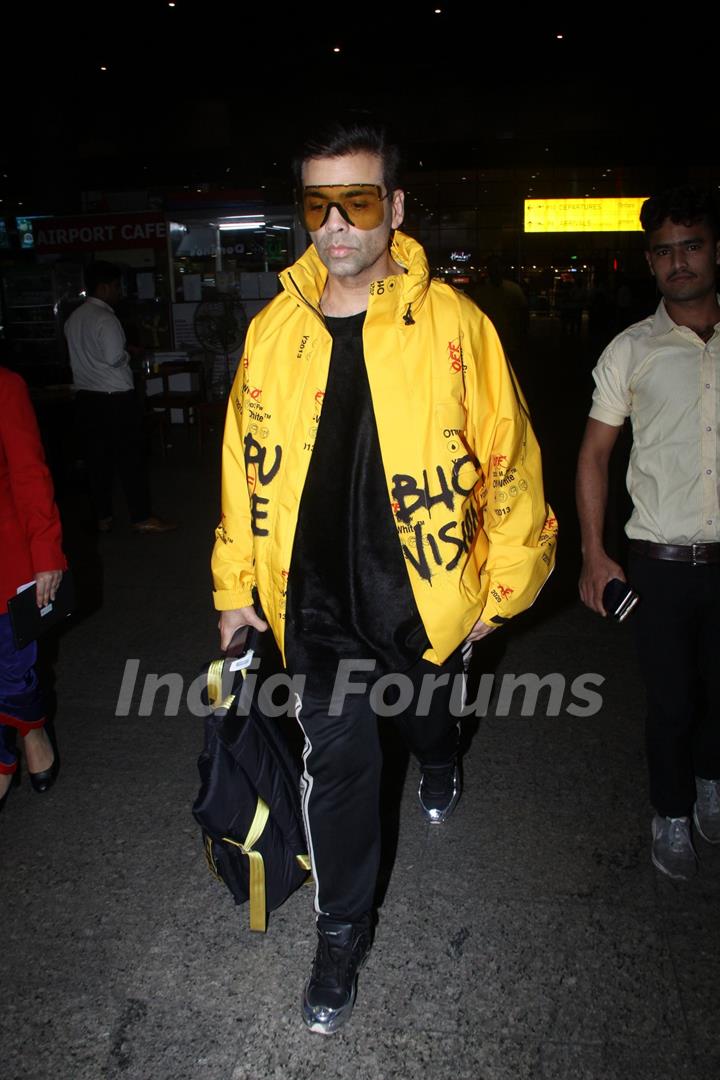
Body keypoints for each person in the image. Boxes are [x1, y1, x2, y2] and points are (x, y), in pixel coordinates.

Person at [211, 117, 556, 1034]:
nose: (335, 224)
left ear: (394, 208)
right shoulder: (274, 332)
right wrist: (235, 590)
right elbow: (240, 467)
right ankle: (341, 927)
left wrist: (506, 588)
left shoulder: (455, 326)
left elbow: (509, 455)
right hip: (315, 604)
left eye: (356, 201)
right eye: (318, 204)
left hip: (428, 595)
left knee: (431, 719)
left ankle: (441, 759)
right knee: (346, 767)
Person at [577, 186, 720, 881]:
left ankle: (712, 787)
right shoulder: (630, 351)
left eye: (690, 245)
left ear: (715, 249)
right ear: (649, 262)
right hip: (659, 561)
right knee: (671, 699)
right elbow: (595, 453)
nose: (679, 262)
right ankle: (669, 809)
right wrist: (594, 553)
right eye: (664, 251)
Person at [63, 261, 175, 534]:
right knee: (130, 459)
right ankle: (141, 516)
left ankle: (102, 515)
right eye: (115, 286)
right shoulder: (106, 318)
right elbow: (114, 357)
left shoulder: (73, 318)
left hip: (86, 398)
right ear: (102, 288)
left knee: (96, 460)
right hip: (116, 399)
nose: (119, 291)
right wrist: (127, 353)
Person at [0, 367, 66, 810]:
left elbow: (29, 474)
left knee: (11, 669)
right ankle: (27, 730)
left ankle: (27, 732)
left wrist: (46, 555)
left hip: (6, 563)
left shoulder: (5, 385)